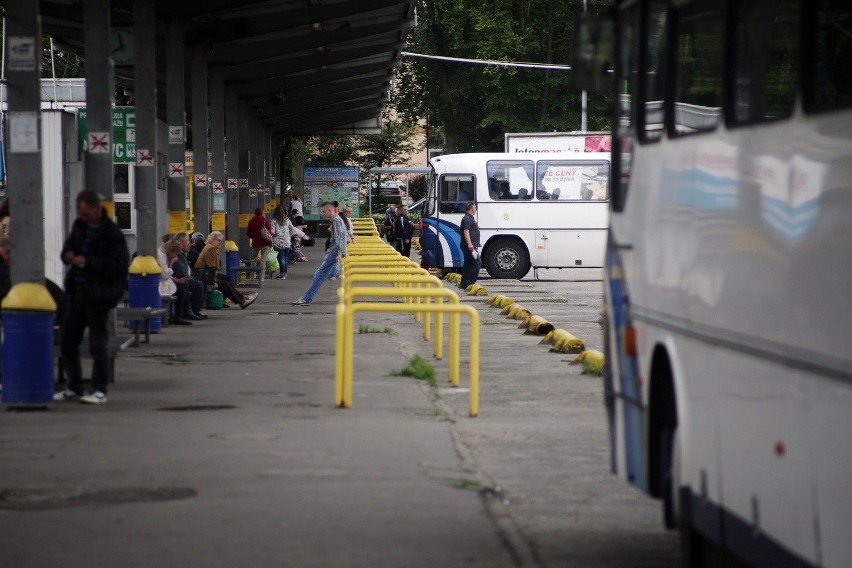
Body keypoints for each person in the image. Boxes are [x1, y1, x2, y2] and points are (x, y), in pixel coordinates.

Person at [54, 190, 130, 405]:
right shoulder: (79, 227)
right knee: (68, 342)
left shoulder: (112, 234)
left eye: (87, 214)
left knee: (98, 345)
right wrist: (68, 255)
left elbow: (118, 266)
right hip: (76, 293)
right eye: (82, 214)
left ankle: (99, 389)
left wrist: (87, 262)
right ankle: (73, 386)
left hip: (99, 296)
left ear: (97, 209)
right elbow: (67, 249)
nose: (84, 218)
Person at [292, 202, 347, 306]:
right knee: (320, 274)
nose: (322, 213)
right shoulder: (337, 220)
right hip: (334, 251)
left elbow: (340, 237)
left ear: (330, 210)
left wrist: (340, 253)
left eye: (323, 211)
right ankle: (307, 298)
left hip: (334, 252)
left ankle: (307, 298)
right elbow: (342, 236)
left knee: (319, 274)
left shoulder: (336, 220)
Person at [194, 231, 258, 309]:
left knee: (226, 279)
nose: (220, 243)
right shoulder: (210, 249)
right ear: (212, 240)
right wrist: (212, 282)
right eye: (218, 240)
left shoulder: (211, 247)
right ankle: (242, 300)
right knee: (223, 283)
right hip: (202, 276)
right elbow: (210, 268)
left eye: (221, 241)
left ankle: (235, 299)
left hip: (203, 274)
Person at [172, 232, 207, 320]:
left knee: (201, 284)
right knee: (198, 285)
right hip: (177, 279)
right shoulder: (177, 254)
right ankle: (191, 311)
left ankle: (194, 310)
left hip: (183, 278)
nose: (189, 243)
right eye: (187, 240)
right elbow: (180, 271)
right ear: (180, 242)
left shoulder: (183, 253)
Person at [459, 202, 481, 289]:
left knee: (468, 264)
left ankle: (464, 284)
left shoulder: (468, 218)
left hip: (469, 246)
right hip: (470, 247)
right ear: (472, 209)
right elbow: (466, 231)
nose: (476, 209)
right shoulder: (467, 219)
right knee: (477, 262)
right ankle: (471, 283)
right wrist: (470, 244)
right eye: (475, 208)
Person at [270, 205, 293, 279]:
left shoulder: (273, 221)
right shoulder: (287, 220)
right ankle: (284, 273)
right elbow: (292, 228)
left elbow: (272, 232)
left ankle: (282, 274)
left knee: (281, 258)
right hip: (287, 241)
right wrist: (289, 235)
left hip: (278, 242)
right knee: (285, 258)